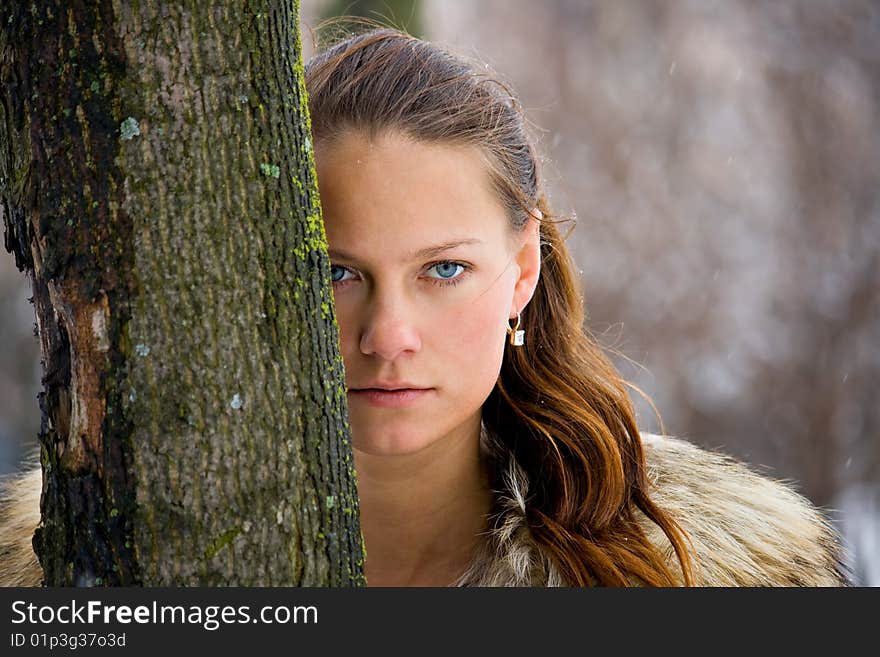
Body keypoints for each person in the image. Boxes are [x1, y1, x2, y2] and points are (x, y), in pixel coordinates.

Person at [1, 26, 849, 587]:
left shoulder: (716, 574)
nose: (387, 336)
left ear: (523, 270)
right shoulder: (80, 566)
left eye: (443, 269)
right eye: (338, 272)